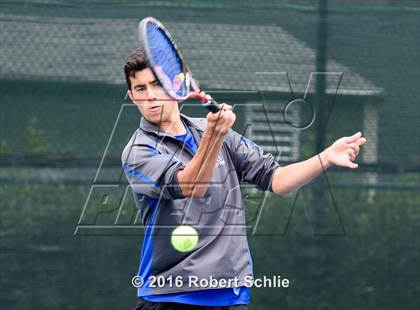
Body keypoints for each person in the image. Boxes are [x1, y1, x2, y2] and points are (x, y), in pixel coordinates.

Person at [122, 48, 366, 310]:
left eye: (157, 84)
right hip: (169, 298)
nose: (150, 97)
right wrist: (214, 137)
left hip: (232, 297)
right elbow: (191, 185)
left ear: (176, 84)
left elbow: (278, 180)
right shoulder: (138, 151)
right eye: (140, 89)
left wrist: (326, 157)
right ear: (131, 96)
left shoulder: (216, 133)